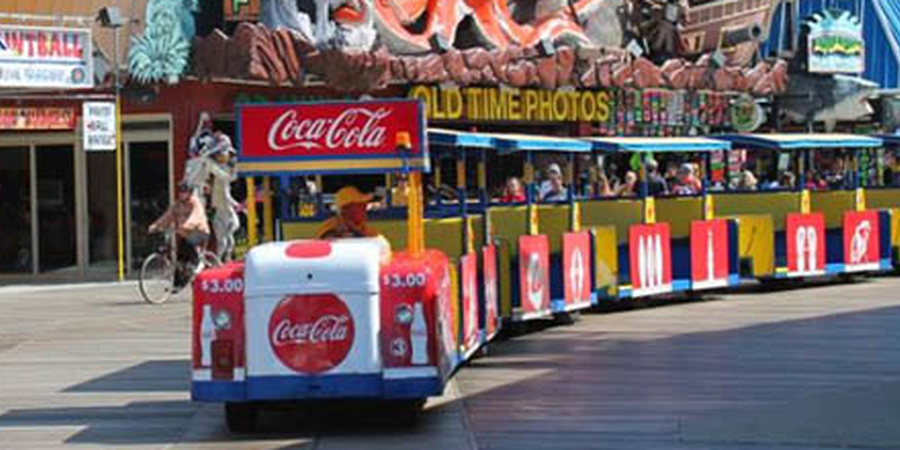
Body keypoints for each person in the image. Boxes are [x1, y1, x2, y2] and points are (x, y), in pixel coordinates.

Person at [148, 183, 211, 287]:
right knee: (180, 259)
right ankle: (177, 285)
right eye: (181, 192)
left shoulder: (195, 203)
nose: (181, 194)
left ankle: (199, 263)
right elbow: (167, 216)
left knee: (190, 244)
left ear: (190, 193)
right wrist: (156, 225)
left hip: (200, 232)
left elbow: (196, 216)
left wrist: (186, 225)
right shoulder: (177, 205)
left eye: (184, 192)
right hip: (185, 234)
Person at [315, 186, 379, 239]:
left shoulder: (363, 227)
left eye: (365, 205)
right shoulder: (331, 227)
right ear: (345, 209)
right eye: (359, 205)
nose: (364, 208)